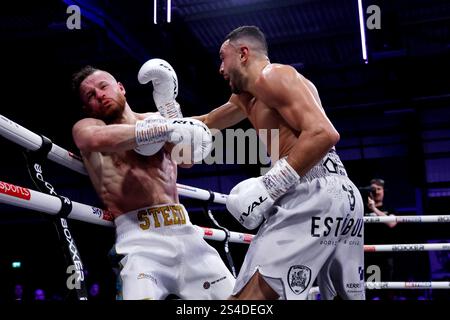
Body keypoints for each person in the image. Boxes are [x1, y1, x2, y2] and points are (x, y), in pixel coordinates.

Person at [195, 26, 365, 300]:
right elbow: (206, 123)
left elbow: (325, 133)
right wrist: (153, 120)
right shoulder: (248, 97)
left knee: (245, 302)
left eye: (222, 57)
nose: (220, 69)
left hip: (314, 192)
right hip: (341, 193)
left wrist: (269, 185)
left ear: (243, 54)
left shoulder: (273, 75)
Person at [71, 63, 235, 300]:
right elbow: (92, 139)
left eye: (103, 87)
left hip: (185, 233)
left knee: (236, 302)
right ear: (87, 107)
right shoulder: (88, 127)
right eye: (91, 96)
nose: (100, 95)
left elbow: (187, 159)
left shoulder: (155, 119)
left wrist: (169, 111)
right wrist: (153, 131)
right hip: (139, 242)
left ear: (121, 88)